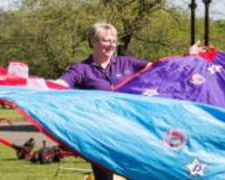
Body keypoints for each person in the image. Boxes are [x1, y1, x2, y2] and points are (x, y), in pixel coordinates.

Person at [53, 21, 202, 180]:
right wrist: (38, 87)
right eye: (106, 40)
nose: (111, 44)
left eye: (113, 40)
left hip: (129, 133)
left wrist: (186, 57)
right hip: (100, 136)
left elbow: (162, 68)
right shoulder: (81, 69)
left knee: (137, 175)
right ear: (93, 42)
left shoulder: (127, 63)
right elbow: (60, 85)